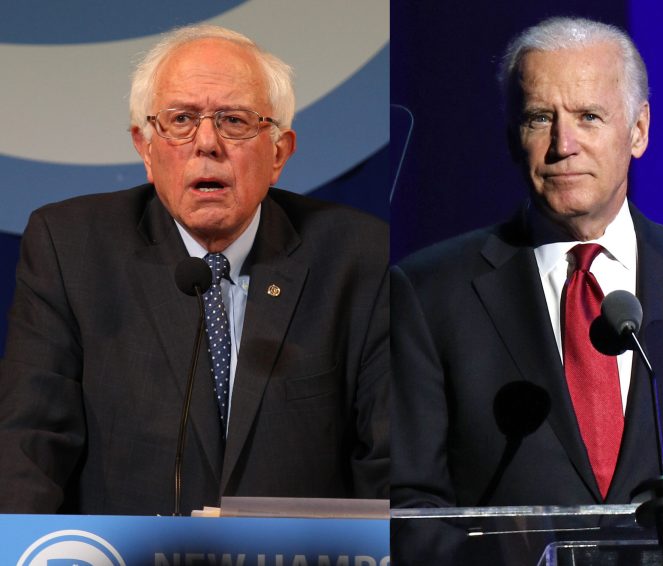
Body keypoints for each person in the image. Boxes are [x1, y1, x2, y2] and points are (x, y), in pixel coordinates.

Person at [0, 25, 389, 515]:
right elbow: (30, 442)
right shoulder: (71, 246)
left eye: (234, 121)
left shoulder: (359, 256)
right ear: (144, 148)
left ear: (278, 153)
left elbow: (387, 456)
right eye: (181, 119)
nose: (207, 143)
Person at [392, 16, 663, 514]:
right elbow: (412, 502)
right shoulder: (428, 292)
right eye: (539, 119)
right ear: (511, 138)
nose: (563, 144)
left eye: (589, 116)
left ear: (638, 131)